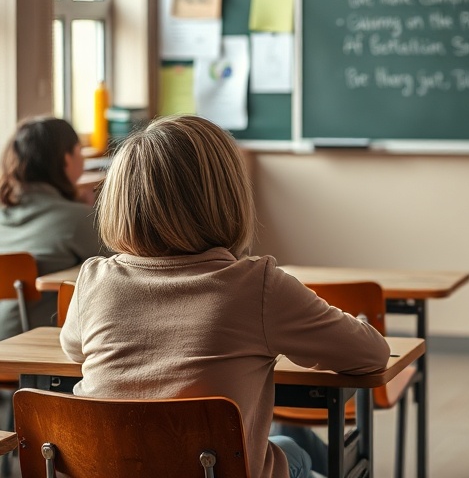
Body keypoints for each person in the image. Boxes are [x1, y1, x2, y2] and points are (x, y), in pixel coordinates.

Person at [59, 115, 391, 478]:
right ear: (227, 196)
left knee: (289, 442)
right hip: (213, 469)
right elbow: (372, 355)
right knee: (296, 451)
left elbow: (74, 349)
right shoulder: (257, 286)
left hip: (111, 469)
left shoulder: (94, 280)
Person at [0, 116, 102, 337]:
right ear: (66, 158)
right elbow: (129, 263)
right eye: (79, 150)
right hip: (34, 344)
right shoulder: (77, 220)